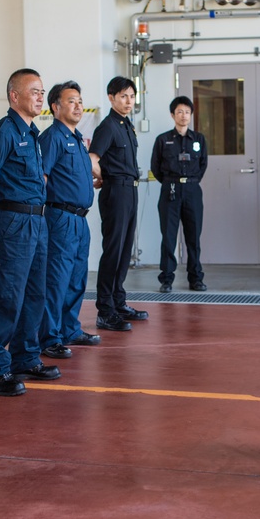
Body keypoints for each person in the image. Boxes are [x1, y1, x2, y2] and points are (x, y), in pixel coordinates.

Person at [0, 68, 61, 394]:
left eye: (42, 91)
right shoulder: (3, 132)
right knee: (5, 296)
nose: (41, 97)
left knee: (35, 293)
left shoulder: (34, 136)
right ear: (14, 96)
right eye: (35, 91)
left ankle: (25, 357)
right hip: (11, 222)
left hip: (36, 223)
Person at [39, 81, 101, 358]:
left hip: (79, 219)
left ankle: (69, 328)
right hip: (60, 217)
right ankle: (49, 336)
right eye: (71, 101)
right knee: (57, 279)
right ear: (56, 107)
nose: (78, 106)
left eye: (79, 100)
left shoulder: (77, 139)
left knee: (76, 277)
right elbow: (41, 178)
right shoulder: (52, 137)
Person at [89, 76, 148, 331]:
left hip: (130, 192)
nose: (128, 101)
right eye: (123, 96)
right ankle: (105, 310)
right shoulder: (108, 126)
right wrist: (106, 177)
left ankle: (118, 301)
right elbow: (92, 159)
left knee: (125, 250)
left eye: (132, 96)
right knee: (114, 249)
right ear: (111, 97)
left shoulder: (127, 125)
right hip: (116, 193)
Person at [150, 96, 208, 293]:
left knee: (194, 237)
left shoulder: (199, 139)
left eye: (187, 112)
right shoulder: (162, 140)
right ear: (172, 115)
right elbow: (156, 168)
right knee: (169, 236)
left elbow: (203, 165)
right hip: (170, 190)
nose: (184, 116)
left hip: (192, 190)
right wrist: (171, 182)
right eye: (180, 112)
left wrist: (190, 181)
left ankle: (196, 278)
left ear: (191, 115)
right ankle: (166, 279)